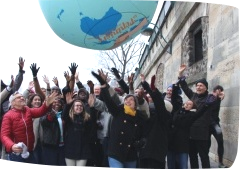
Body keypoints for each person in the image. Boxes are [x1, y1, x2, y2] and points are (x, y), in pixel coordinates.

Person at [92, 70, 147, 170]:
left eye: (131, 100)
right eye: (126, 99)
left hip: (131, 154)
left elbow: (145, 132)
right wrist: (103, 84)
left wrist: (142, 141)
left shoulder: (140, 117)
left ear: (136, 104)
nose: (128, 101)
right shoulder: (118, 111)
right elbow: (108, 101)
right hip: (115, 153)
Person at [1, 90, 58, 164]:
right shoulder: (8, 116)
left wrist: (46, 104)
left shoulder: (27, 110)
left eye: (22, 96)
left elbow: (40, 111)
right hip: (16, 153)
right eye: (18, 97)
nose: (22, 98)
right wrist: (11, 146)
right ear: (13, 102)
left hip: (29, 152)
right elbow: (4, 135)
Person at [178, 64, 213, 169]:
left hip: (203, 133)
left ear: (206, 87)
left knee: (204, 157)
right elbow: (184, 87)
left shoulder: (209, 98)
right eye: (197, 85)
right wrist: (180, 74)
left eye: (201, 85)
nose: (198, 87)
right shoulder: (193, 96)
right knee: (192, 156)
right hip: (191, 132)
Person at [139, 74, 172, 169]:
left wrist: (151, 88)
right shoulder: (149, 115)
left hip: (156, 153)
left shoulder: (164, 116)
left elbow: (159, 104)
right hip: (145, 152)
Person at [62, 92, 96, 169]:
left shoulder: (86, 119)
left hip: (83, 150)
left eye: (81, 106)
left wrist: (92, 107)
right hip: (70, 150)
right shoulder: (69, 118)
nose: (79, 107)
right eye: (77, 106)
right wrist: (68, 105)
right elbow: (64, 117)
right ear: (73, 108)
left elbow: (93, 123)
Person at [40, 97, 66, 166]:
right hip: (50, 145)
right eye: (54, 102)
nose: (57, 104)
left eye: (58, 102)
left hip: (63, 146)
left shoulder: (64, 114)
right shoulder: (47, 113)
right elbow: (44, 122)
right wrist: (52, 114)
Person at [208, 85, 228, 169]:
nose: (220, 92)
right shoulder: (209, 97)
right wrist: (216, 95)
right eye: (220, 90)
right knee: (206, 144)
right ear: (217, 90)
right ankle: (206, 161)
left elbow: (222, 96)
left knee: (220, 142)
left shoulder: (218, 99)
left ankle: (220, 162)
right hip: (208, 124)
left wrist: (222, 96)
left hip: (216, 124)